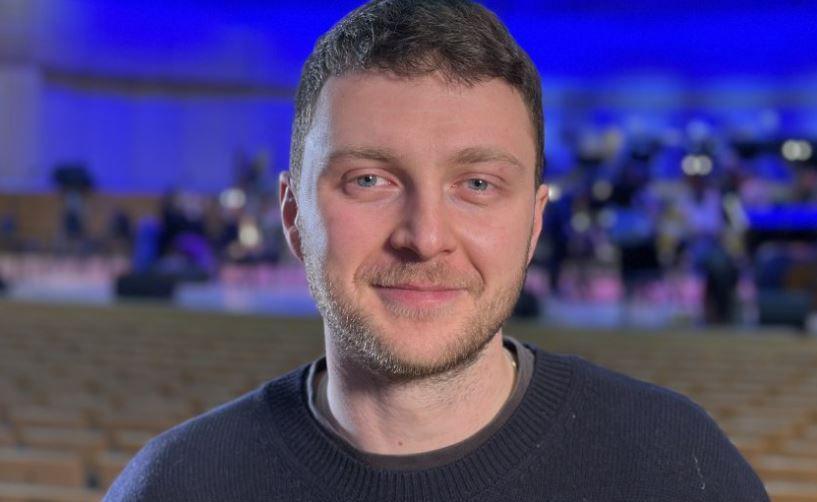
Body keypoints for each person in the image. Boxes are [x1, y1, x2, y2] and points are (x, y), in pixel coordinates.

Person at [107, 1, 768, 500]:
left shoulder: (676, 465)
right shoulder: (174, 486)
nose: (424, 238)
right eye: (368, 180)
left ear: (535, 223)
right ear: (292, 214)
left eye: (476, 184)